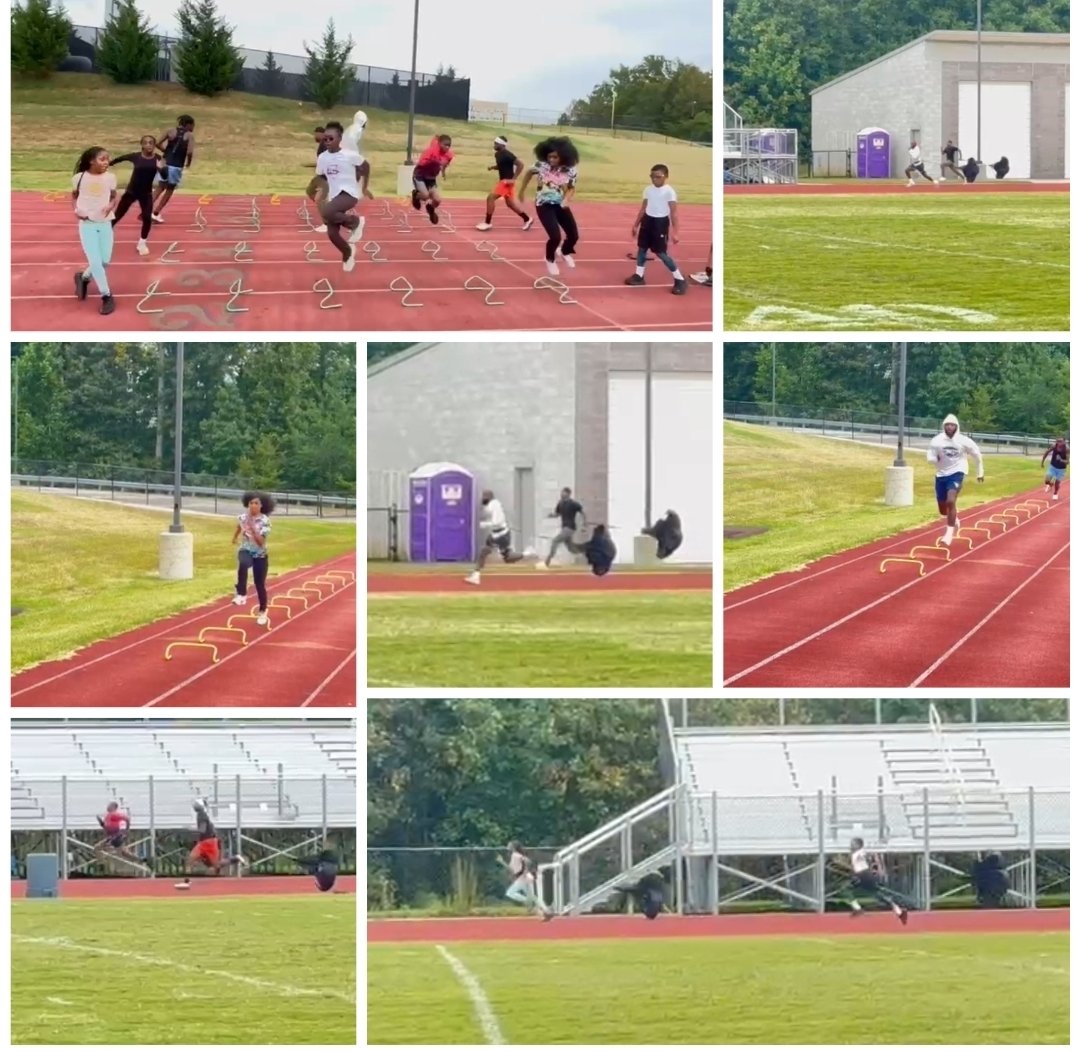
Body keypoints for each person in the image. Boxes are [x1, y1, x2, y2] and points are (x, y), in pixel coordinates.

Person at [518, 136, 580, 276]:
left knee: (574, 235)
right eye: (549, 156)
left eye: (555, 157)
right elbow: (528, 173)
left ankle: (564, 251)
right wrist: (522, 190)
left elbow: (571, 188)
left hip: (560, 204)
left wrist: (566, 200)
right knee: (555, 237)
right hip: (543, 204)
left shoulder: (570, 170)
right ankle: (549, 259)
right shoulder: (541, 165)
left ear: (563, 157)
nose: (551, 160)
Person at [314, 121, 370, 272]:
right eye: (325, 139)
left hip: (349, 193)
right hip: (335, 195)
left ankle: (356, 222)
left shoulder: (349, 155)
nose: (327, 142)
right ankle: (347, 252)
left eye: (331, 139)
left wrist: (364, 187)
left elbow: (366, 166)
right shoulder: (322, 158)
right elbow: (321, 175)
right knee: (332, 233)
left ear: (340, 139)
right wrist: (321, 190)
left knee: (326, 212)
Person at [625, 164, 688, 294]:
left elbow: (674, 213)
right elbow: (643, 208)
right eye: (652, 176)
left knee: (660, 253)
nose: (654, 179)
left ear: (666, 177)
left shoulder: (669, 191)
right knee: (642, 249)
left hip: (660, 223)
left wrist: (675, 233)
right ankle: (639, 275)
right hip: (647, 220)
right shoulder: (648, 190)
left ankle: (680, 279)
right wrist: (636, 224)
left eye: (658, 176)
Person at [71, 146, 118, 316]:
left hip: (105, 222)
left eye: (107, 159)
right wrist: (76, 210)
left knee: (105, 260)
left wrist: (110, 206)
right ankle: (107, 296)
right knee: (96, 262)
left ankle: (83, 278)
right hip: (87, 225)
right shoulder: (79, 178)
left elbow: (114, 196)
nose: (107, 162)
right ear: (92, 161)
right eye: (102, 159)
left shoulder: (111, 178)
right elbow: (74, 196)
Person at [926, 413, 984, 546]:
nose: (950, 427)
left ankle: (948, 534)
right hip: (941, 474)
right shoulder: (937, 440)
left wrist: (980, 472)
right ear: (944, 426)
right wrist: (933, 459)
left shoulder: (964, 440)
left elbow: (977, 455)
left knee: (951, 500)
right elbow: (930, 454)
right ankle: (954, 518)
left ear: (956, 426)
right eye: (947, 425)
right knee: (943, 509)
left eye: (952, 425)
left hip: (957, 472)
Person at [108, 134, 164, 257]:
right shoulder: (136, 156)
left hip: (146, 194)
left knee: (147, 218)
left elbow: (165, 176)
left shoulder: (158, 158)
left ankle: (142, 243)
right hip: (131, 192)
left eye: (151, 143)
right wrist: (110, 163)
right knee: (118, 215)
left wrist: (161, 169)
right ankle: (105, 234)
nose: (149, 145)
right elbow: (121, 158)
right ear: (142, 145)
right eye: (146, 143)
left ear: (154, 145)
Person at [174, 799, 248, 888]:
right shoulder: (201, 814)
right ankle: (186, 882)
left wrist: (190, 829)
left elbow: (202, 830)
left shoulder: (202, 815)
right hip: (203, 843)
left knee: (216, 864)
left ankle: (236, 858)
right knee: (191, 859)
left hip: (209, 843)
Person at [464, 489, 533, 585]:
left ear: (489, 497)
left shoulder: (493, 506)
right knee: (507, 558)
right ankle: (525, 554)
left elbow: (497, 522)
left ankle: (476, 575)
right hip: (500, 534)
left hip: (500, 535)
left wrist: (484, 524)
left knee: (483, 552)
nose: (482, 498)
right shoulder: (493, 505)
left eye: (484, 496)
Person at [231, 491, 274, 625]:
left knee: (259, 584)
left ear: (261, 506)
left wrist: (253, 529)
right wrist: (235, 537)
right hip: (246, 549)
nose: (253, 505)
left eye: (256, 503)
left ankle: (262, 611)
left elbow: (261, 542)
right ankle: (241, 594)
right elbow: (239, 525)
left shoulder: (265, 521)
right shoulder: (243, 517)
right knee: (243, 563)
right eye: (251, 503)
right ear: (247, 504)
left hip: (260, 554)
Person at [847, 837, 914, 924]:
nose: (851, 845)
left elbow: (865, 855)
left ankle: (899, 911)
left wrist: (867, 856)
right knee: (875, 895)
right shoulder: (854, 854)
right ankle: (899, 912)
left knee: (877, 895)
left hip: (864, 875)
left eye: (853, 843)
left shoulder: (860, 852)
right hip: (861, 875)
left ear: (858, 845)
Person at [476, 137, 532, 231]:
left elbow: (520, 165)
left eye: (496, 143)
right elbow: (502, 165)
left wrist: (513, 179)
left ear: (502, 145)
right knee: (510, 204)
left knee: (490, 198)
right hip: (505, 181)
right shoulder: (497, 154)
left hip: (506, 182)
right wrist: (493, 167)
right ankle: (527, 219)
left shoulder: (507, 154)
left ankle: (487, 223)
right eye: (494, 143)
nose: (494, 145)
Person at [151, 115, 195, 222]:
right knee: (170, 189)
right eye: (193, 125)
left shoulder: (170, 131)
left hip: (164, 163)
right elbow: (189, 152)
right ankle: (156, 212)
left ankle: (146, 209)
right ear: (188, 124)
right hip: (176, 165)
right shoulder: (189, 135)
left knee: (160, 187)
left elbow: (157, 143)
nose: (194, 128)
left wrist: (165, 151)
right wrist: (188, 163)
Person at [499, 841, 552, 920]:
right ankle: (546, 911)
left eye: (509, 844)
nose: (508, 845)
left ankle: (527, 901)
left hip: (522, 879)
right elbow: (528, 861)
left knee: (510, 893)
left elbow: (511, 869)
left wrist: (501, 861)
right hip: (526, 878)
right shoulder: (519, 855)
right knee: (533, 897)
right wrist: (526, 870)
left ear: (513, 847)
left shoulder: (514, 855)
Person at [411, 134, 454, 224]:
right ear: (439, 144)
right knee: (426, 195)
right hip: (420, 175)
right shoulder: (431, 151)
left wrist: (443, 171)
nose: (447, 147)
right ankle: (415, 195)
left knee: (437, 200)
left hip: (431, 178)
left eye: (449, 145)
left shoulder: (449, 155)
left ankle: (430, 208)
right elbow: (421, 163)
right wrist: (433, 161)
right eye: (445, 145)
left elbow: (446, 163)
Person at [537, 486, 584, 568]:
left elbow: (582, 512)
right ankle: (586, 552)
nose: (562, 494)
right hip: (564, 527)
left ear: (568, 494)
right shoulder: (560, 503)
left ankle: (548, 560)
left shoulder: (573, 504)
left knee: (555, 541)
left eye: (564, 492)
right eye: (561, 492)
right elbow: (558, 514)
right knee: (571, 548)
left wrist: (584, 523)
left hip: (570, 528)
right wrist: (552, 515)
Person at [305, 125, 330, 233]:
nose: (314, 136)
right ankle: (329, 206)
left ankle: (327, 224)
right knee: (310, 190)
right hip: (320, 176)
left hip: (327, 177)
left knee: (320, 199)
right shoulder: (322, 144)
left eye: (315, 134)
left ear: (321, 134)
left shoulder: (325, 145)